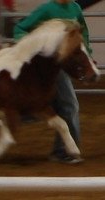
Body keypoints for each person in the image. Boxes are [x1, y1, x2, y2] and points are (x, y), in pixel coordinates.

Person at [14, 0, 93, 164]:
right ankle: (65, 151)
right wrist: (29, 45)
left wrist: (87, 52)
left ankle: (61, 149)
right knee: (69, 106)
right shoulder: (47, 9)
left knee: (63, 106)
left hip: (66, 65)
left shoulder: (75, 8)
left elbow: (82, 32)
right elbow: (20, 28)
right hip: (51, 67)